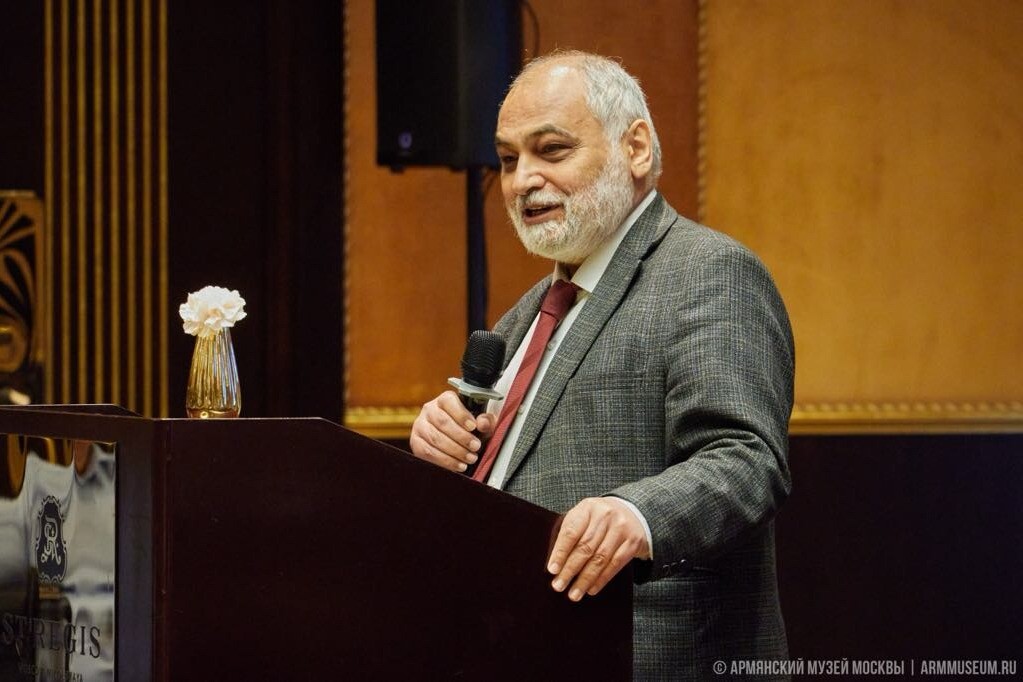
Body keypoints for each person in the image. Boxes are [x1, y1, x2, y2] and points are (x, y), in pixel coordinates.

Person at [410, 50, 794, 680]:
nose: (522, 180)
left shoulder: (708, 273)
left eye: (551, 150)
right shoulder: (528, 314)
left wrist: (636, 515)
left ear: (635, 148)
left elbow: (746, 459)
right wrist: (444, 444)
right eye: (508, 159)